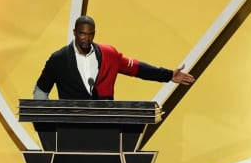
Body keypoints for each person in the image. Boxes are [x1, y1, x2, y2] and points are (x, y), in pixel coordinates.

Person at [33, 15, 195, 100]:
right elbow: (41, 91)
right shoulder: (58, 59)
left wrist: (168, 75)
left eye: (90, 34)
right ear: (75, 32)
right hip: (69, 129)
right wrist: (49, 123)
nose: (86, 38)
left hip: (105, 126)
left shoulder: (109, 54)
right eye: (82, 34)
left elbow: (137, 68)